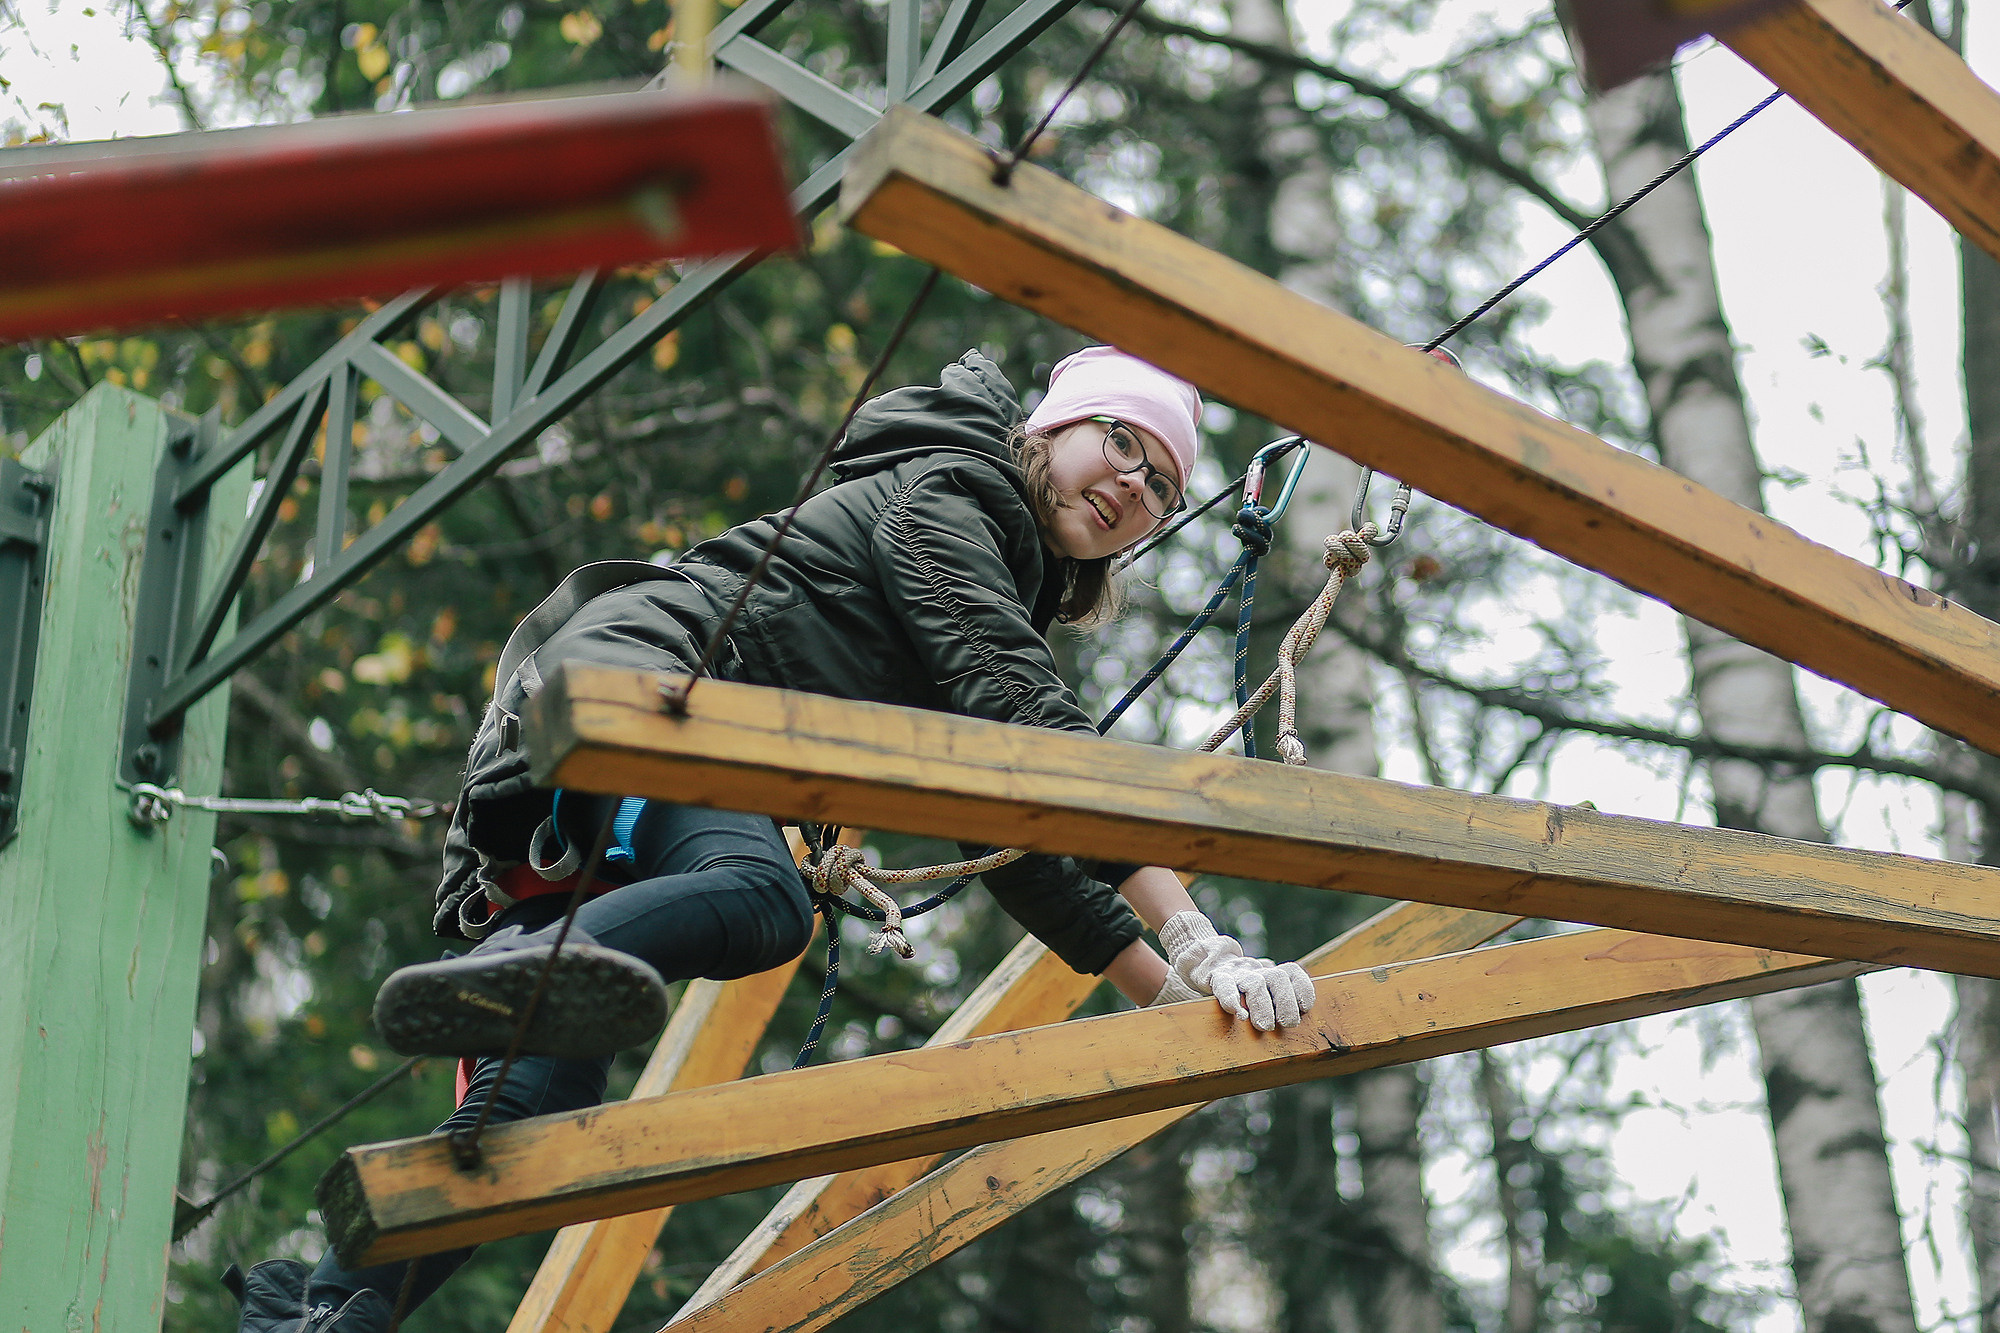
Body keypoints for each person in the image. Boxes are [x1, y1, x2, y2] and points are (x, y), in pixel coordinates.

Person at [227, 346, 1318, 1331]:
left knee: (532, 1119)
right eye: (1117, 441)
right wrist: (1195, 936)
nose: (1133, 482)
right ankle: (512, 970)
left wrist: (1163, 995)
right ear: (1046, 430)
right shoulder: (950, 492)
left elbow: (1027, 838)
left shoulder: (994, 575)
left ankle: (330, 1311)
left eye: (1161, 485)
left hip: (634, 793)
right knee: (762, 897)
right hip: (645, 697)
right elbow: (1029, 726)